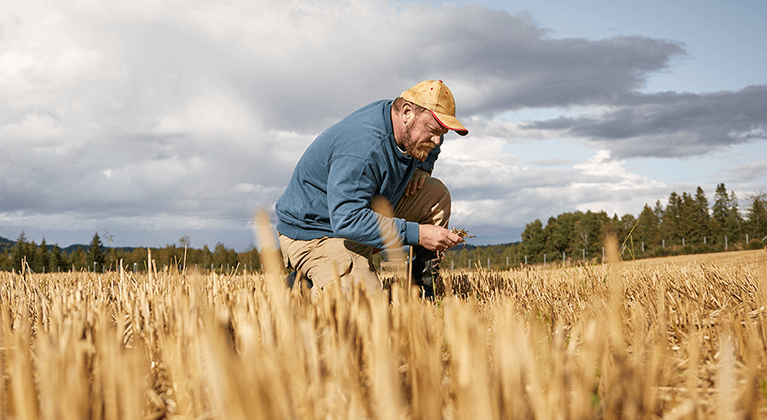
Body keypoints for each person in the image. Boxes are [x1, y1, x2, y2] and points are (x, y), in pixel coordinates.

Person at [275, 80, 468, 298]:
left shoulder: (407, 126)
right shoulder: (362, 148)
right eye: (433, 130)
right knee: (368, 311)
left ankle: (420, 291)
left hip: (363, 213)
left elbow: (434, 142)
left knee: (435, 194)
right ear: (407, 112)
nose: (437, 140)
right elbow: (347, 220)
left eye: (443, 132)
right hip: (318, 233)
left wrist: (422, 169)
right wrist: (419, 234)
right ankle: (302, 288)